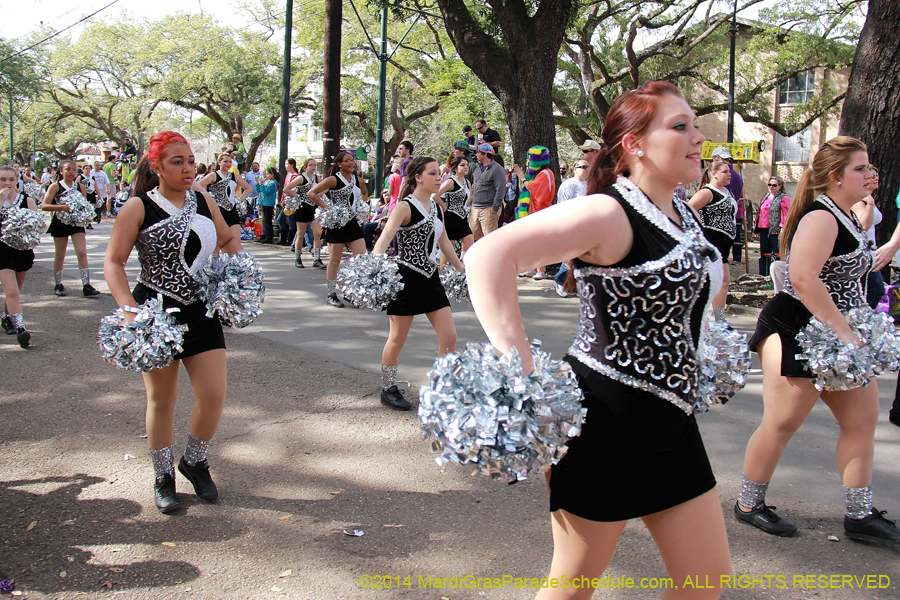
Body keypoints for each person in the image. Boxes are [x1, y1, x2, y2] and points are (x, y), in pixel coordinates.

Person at [464, 81, 730, 600]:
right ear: (634, 144)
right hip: (604, 425)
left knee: (705, 583)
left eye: (695, 125)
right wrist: (522, 368)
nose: (698, 138)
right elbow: (488, 255)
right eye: (680, 127)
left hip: (672, 423)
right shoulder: (609, 212)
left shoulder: (683, 212)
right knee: (572, 587)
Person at [736, 136, 900, 547]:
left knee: (861, 422)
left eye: (870, 167)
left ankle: (860, 515)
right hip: (795, 329)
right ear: (835, 177)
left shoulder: (848, 213)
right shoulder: (821, 217)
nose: (870, 175)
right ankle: (748, 504)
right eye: (861, 169)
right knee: (783, 421)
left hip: (839, 334)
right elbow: (804, 278)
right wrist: (845, 332)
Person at [104, 131, 242, 514]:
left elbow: (227, 241)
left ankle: (194, 461)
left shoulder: (203, 199)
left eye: (191, 161)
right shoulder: (137, 207)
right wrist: (131, 310)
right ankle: (163, 475)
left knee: (213, 395)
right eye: (177, 161)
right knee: (162, 399)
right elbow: (113, 263)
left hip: (200, 310)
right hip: (157, 314)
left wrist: (238, 271)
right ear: (157, 167)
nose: (186, 168)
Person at [373, 156, 465, 410]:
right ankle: (388, 388)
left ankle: (441, 388)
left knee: (450, 336)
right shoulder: (404, 207)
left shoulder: (436, 207)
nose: (439, 178)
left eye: (440, 173)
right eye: (433, 173)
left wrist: (462, 270)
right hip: (405, 280)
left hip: (431, 279)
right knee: (397, 339)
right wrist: (372, 267)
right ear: (418, 177)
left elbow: (444, 241)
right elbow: (384, 239)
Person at [307, 151, 369, 307]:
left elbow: (364, 193)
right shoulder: (333, 180)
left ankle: (352, 292)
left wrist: (362, 205)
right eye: (347, 160)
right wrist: (328, 209)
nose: (351, 163)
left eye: (353, 160)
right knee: (335, 260)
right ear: (339, 164)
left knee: (362, 259)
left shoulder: (357, 180)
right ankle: (331, 294)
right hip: (336, 225)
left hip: (353, 224)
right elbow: (312, 193)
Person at [41, 160, 102, 297]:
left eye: (74, 170)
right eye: (68, 169)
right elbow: (44, 206)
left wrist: (87, 215)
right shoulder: (55, 186)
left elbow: (84, 205)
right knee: (60, 254)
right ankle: (58, 284)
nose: (71, 172)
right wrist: (62, 208)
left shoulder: (80, 187)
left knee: (81, 252)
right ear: (61, 171)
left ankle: (86, 285)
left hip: (77, 224)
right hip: (60, 223)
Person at [689, 160, 735, 322]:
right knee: (712, 280)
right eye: (725, 172)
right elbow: (689, 209)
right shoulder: (707, 192)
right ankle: (709, 318)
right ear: (713, 174)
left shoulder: (726, 192)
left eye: (729, 171)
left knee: (723, 281)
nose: (729, 174)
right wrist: (700, 230)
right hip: (712, 243)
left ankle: (719, 319)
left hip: (724, 244)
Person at [0, 166, 39, 348]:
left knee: (17, 288)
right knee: (11, 291)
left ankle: (6, 317)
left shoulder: (27, 200)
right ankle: (21, 329)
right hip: (2, 252)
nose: (7, 183)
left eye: (10, 179)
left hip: (22, 251)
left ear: (17, 180)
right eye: (2, 179)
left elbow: (37, 226)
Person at [514, 146, 556, 279]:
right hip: (532, 212)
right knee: (530, 242)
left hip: (540, 212)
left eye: (530, 160)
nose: (528, 162)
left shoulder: (546, 173)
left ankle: (541, 270)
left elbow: (537, 191)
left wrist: (523, 178)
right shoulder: (538, 174)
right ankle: (531, 267)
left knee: (538, 243)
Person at [195, 153, 252, 247]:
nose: (228, 164)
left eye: (230, 161)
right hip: (218, 213)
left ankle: (234, 261)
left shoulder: (234, 176)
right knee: (216, 245)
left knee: (236, 243)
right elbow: (197, 185)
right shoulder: (213, 175)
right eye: (225, 161)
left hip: (232, 212)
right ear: (219, 162)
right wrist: (207, 198)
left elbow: (248, 188)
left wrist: (240, 200)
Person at [283, 158, 325, 269]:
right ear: (305, 167)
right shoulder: (301, 178)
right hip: (302, 208)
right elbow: (286, 189)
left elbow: (326, 187)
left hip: (314, 208)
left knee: (317, 233)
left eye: (315, 165)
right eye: (311, 165)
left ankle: (317, 258)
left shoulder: (317, 178)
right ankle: (297, 257)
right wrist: (298, 197)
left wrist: (319, 194)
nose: (313, 167)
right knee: (301, 233)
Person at [850, 165, 882, 309]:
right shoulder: (860, 200)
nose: (876, 178)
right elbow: (864, 225)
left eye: (877, 174)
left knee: (872, 291)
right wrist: (869, 203)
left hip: (871, 252)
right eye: (872, 175)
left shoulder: (867, 198)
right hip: (863, 254)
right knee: (874, 291)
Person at [433, 156, 474, 267]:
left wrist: (465, 206)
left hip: (463, 218)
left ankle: (469, 272)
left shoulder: (467, 182)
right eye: (462, 165)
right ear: (455, 168)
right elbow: (435, 196)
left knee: (471, 247)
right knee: (448, 251)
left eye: (466, 165)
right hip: (451, 218)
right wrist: (445, 207)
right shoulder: (450, 182)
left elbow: (470, 195)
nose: (466, 167)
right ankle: (443, 275)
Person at [468, 144, 506, 241]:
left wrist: (494, 208)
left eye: (478, 152)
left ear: (485, 154)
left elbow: (501, 189)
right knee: (474, 238)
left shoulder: (497, 169)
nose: (476, 154)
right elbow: (474, 187)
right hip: (475, 208)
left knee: (490, 239)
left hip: (488, 208)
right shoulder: (478, 169)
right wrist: (471, 204)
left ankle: (494, 256)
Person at [754, 176, 790, 277]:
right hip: (763, 228)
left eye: (774, 185)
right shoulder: (765, 196)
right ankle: (763, 275)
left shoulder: (783, 198)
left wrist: (783, 228)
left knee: (777, 253)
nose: (771, 187)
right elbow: (759, 212)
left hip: (776, 230)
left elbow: (786, 214)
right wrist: (755, 228)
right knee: (764, 254)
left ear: (780, 186)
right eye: (769, 185)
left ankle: (777, 275)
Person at [256, 167, 279, 244]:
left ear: (272, 174)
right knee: (264, 219)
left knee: (268, 220)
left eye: (268, 173)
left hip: (268, 203)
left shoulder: (273, 183)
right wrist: (257, 183)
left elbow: (266, 192)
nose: (266, 175)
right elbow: (259, 190)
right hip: (263, 202)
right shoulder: (267, 181)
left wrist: (262, 185)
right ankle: (264, 235)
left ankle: (269, 237)